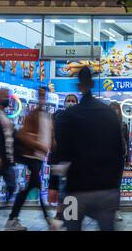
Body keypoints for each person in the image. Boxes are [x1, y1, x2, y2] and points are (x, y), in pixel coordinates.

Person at [54, 67, 124, 231]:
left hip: (75, 191)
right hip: (106, 191)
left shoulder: (68, 116)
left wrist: (53, 186)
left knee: (72, 227)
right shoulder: (110, 114)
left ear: (79, 86)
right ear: (93, 83)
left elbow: (61, 153)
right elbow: (119, 153)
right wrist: (115, 187)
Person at [6, 87, 52, 231]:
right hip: (32, 156)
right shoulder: (32, 115)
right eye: (41, 95)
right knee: (34, 185)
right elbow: (22, 135)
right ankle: (49, 220)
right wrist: (39, 145)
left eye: (44, 96)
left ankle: (12, 219)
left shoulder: (46, 116)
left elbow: (50, 136)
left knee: (33, 186)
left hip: (38, 158)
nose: (42, 98)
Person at [47, 94, 79, 230]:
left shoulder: (79, 118)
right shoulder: (56, 116)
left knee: (71, 189)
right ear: (64, 102)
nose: (70, 103)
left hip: (74, 158)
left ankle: (70, 215)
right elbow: (50, 133)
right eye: (68, 101)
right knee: (57, 187)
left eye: (73, 101)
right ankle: (59, 213)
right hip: (58, 158)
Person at [109, 102, 130, 222]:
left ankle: (116, 209)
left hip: (120, 157)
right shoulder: (104, 125)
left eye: (116, 109)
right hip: (107, 158)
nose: (115, 111)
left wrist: (127, 159)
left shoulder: (123, 125)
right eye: (112, 109)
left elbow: (127, 141)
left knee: (117, 185)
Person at [0, 89, 16, 224]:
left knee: (12, 185)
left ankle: (3, 204)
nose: (7, 98)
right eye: (5, 96)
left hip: (8, 159)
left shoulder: (4, 115)